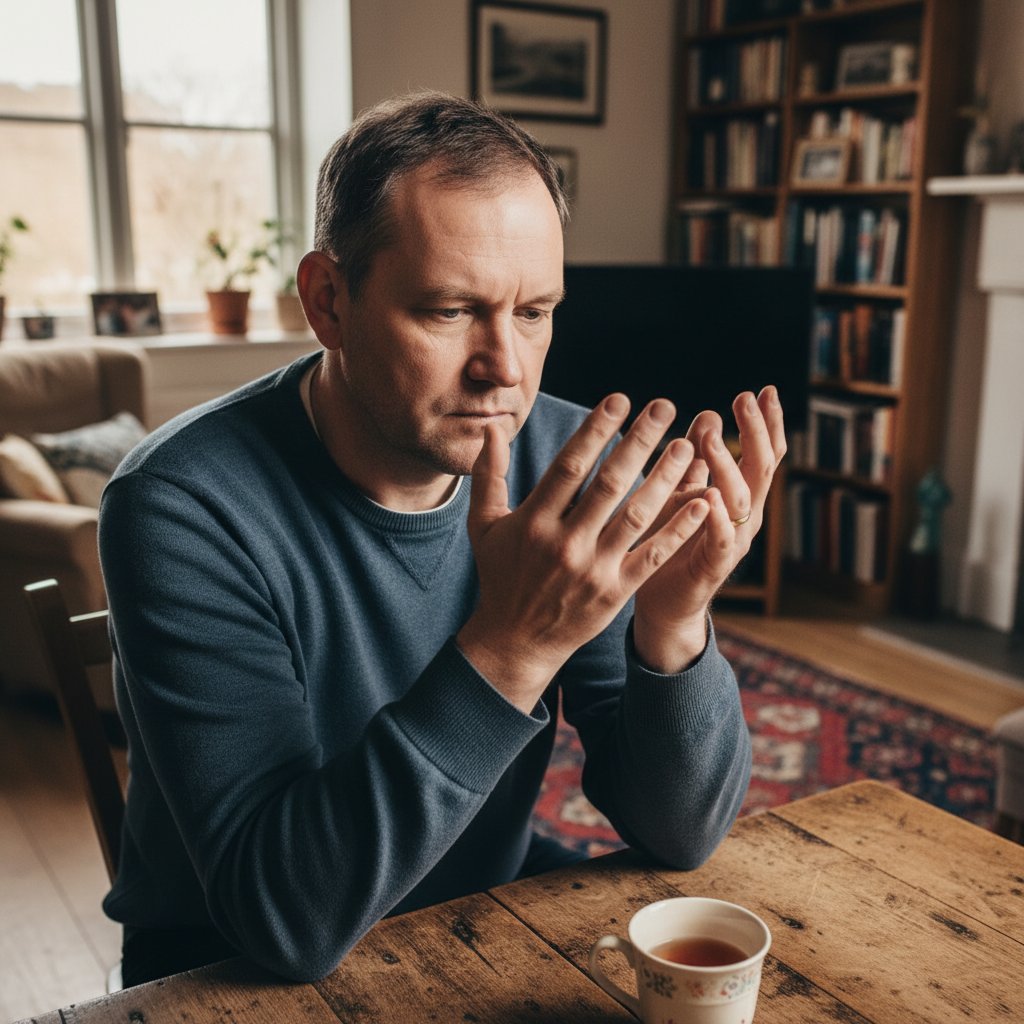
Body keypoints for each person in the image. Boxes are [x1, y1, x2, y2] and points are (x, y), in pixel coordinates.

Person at [98, 92, 786, 987]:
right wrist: (513, 644)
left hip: (478, 918)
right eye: (450, 311)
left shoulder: (571, 462)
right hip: (224, 979)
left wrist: (673, 624)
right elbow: (283, 921)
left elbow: (681, 833)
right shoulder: (180, 506)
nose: (505, 367)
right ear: (328, 301)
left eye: (534, 312)